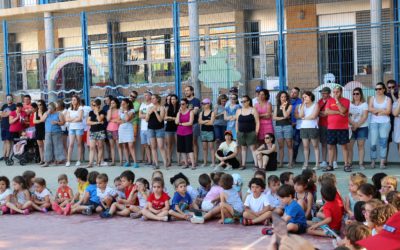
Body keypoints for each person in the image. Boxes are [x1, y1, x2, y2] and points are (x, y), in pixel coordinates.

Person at [325, 85, 351, 172]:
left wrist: (337, 101)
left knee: (344, 147)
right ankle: (330, 165)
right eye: (334, 92)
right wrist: (338, 112)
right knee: (330, 146)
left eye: (337, 92)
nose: (335, 94)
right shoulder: (329, 100)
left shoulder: (346, 101)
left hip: (342, 128)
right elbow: (327, 111)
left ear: (341, 92)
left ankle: (346, 165)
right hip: (331, 128)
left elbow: (343, 110)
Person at [369, 82, 392, 169]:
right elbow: (370, 108)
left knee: (383, 143)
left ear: (383, 89)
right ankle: (373, 161)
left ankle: (382, 162)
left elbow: (388, 111)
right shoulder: (372, 98)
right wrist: (382, 110)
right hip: (374, 123)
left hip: (385, 123)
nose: (378, 90)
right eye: (376, 89)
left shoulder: (388, 99)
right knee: (373, 143)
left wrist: (377, 111)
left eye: (379, 89)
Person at [236, 95, 260, 170]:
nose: (243, 103)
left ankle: (256, 165)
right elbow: (237, 122)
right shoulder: (239, 110)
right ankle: (243, 164)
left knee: (253, 148)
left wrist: (256, 132)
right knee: (243, 148)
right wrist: (237, 132)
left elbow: (257, 122)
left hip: (251, 132)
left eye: (245, 101)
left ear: (248, 101)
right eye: (242, 101)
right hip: (241, 133)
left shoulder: (253, 110)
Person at [297, 91, 320, 170]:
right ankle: (306, 163)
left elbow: (313, 116)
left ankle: (317, 164)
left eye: (306, 97)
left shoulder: (315, 105)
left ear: (310, 97)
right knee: (305, 147)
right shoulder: (302, 105)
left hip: (313, 127)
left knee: (315, 146)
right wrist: (303, 104)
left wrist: (304, 118)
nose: (304, 98)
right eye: (303, 97)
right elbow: (300, 115)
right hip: (304, 128)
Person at [39, 102, 66, 167]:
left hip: (57, 132)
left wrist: (56, 122)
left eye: (50, 108)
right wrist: (47, 113)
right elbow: (42, 120)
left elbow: (63, 122)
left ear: (54, 108)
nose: (49, 109)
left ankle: (57, 160)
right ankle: (47, 161)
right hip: (48, 132)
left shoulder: (59, 113)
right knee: (47, 147)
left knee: (57, 146)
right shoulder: (46, 113)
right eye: (48, 108)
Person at [348, 88, 369, 170]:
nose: (355, 95)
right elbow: (347, 116)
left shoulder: (364, 104)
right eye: (354, 94)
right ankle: (350, 163)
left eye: (357, 94)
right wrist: (353, 124)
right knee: (350, 147)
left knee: (360, 146)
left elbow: (365, 117)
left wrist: (356, 125)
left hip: (362, 127)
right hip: (351, 127)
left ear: (361, 94)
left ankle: (361, 163)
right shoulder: (349, 104)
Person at [146, 94, 167, 170]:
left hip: (159, 129)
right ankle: (156, 164)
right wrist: (148, 113)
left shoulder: (161, 108)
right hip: (151, 129)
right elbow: (146, 120)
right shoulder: (149, 108)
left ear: (158, 99)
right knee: (153, 147)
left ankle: (165, 163)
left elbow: (160, 120)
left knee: (161, 146)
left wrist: (155, 111)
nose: (152, 99)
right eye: (151, 98)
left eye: (153, 98)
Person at [273, 91, 293, 168]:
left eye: (285, 97)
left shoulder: (290, 106)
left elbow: (286, 115)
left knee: (289, 145)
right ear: (279, 98)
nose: (283, 98)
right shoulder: (276, 106)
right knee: (280, 146)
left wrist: (284, 107)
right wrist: (282, 118)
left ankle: (290, 163)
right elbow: (274, 117)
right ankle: (281, 163)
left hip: (287, 126)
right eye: (282, 97)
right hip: (278, 127)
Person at [318, 87, 337, 168]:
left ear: (329, 93)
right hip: (322, 124)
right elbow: (318, 112)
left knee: (333, 144)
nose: (323, 94)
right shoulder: (319, 101)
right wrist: (325, 112)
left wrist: (326, 113)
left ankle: (334, 161)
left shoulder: (333, 101)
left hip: (331, 125)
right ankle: (324, 161)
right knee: (323, 143)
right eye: (322, 93)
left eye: (324, 93)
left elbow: (331, 112)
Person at [176, 98, 195, 169]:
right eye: (180, 104)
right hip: (179, 132)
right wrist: (179, 113)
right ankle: (186, 163)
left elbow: (190, 123)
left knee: (189, 149)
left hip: (188, 132)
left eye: (183, 104)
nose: (181, 105)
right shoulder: (179, 113)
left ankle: (193, 165)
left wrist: (181, 123)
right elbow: (177, 122)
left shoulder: (190, 112)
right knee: (182, 149)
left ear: (187, 104)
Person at [87, 99, 107, 168]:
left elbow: (100, 119)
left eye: (94, 105)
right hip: (92, 131)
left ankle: (98, 162)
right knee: (92, 147)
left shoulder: (102, 112)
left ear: (98, 105)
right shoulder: (90, 112)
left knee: (100, 147)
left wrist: (97, 113)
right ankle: (90, 163)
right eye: (92, 105)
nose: (92, 106)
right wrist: (97, 123)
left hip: (100, 131)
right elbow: (88, 122)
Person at [118, 98, 138, 168]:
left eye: (124, 104)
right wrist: (123, 120)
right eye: (121, 104)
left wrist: (125, 111)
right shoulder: (120, 111)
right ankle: (127, 161)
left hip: (129, 128)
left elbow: (127, 119)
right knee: (124, 145)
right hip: (122, 128)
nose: (122, 105)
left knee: (131, 145)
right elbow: (118, 120)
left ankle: (135, 162)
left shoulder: (131, 110)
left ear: (127, 104)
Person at [65, 95, 84, 167]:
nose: (73, 101)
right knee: (71, 144)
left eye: (74, 100)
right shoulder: (69, 109)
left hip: (79, 128)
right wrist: (74, 119)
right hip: (71, 128)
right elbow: (66, 119)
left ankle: (79, 160)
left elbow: (79, 118)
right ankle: (68, 160)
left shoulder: (80, 108)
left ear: (78, 101)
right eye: (72, 100)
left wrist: (71, 119)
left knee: (79, 144)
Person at [184, 86, 201, 166]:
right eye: (185, 91)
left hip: (194, 124)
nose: (186, 92)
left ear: (192, 91)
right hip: (185, 125)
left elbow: (195, 112)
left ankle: (195, 160)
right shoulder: (183, 101)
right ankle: (188, 160)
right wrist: (189, 111)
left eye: (188, 90)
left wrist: (186, 111)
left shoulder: (196, 101)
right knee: (187, 142)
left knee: (194, 142)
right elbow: (180, 111)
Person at [199, 98, 216, 168]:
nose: (203, 105)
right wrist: (206, 121)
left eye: (204, 104)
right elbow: (199, 122)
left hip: (210, 131)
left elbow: (211, 123)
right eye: (202, 104)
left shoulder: (212, 113)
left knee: (211, 147)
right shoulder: (201, 113)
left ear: (208, 104)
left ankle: (213, 162)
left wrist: (203, 122)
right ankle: (205, 162)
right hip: (203, 131)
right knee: (204, 148)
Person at [164, 94, 180, 167]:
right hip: (169, 128)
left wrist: (170, 118)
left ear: (176, 100)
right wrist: (174, 118)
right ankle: (169, 161)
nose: (172, 100)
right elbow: (165, 118)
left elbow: (179, 118)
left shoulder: (179, 107)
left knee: (178, 145)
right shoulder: (167, 108)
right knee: (169, 146)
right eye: (171, 99)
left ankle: (179, 161)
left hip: (177, 127)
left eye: (174, 99)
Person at [106, 98, 122, 166]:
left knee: (118, 145)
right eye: (111, 103)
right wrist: (110, 110)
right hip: (109, 129)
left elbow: (119, 120)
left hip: (116, 129)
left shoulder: (119, 110)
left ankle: (121, 161)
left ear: (116, 103)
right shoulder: (109, 111)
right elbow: (108, 119)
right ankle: (113, 161)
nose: (112, 104)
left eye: (113, 103)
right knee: (112, 146)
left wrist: (113, 120)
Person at [139, 90, 153, 165]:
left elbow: (150, 116)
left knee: (151, 145)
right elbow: (139, 115)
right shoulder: (142, 105)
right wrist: (147, 115)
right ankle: (149, 160)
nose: (145, 97)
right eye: (144, 95)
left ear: (150, 96)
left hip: (149, 127)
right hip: (142, 128)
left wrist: (144, 115)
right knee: (145, 145)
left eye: (146, 95)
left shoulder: (152, 105)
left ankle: (153, 160)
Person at [385, 79, 398, 163]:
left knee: (398, 140)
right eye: (389, 87)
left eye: (393, 87)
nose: (391, 89)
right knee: (386, 140)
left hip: (397, 120)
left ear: (396, 86)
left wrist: (393, 94)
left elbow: (396, 103)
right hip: (388, 120)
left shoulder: (398, 95)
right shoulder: (385, 95)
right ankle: (385, 159)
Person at [1, 95, 16, 160]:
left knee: (8, 141)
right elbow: (1, 114)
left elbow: (9, 114)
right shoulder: (4, 106)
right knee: (4, 141)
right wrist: (5, 114)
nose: (9, 99)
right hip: (3, 125)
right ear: (6, 99)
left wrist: (4, 114)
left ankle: (7, 156)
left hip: (9, 126)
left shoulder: (14, 106)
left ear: (12, 99)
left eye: (10, 98)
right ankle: (3, 155)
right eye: (8, 98)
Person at [290, 87, 302, 164]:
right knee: (289, 144)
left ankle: (293, 159)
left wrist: (296, 122)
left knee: (296, 144)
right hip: (288, 125)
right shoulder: (287, 101)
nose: (293, 94)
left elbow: (302, 114)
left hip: (298, 126)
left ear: (298, 94)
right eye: (292, 92)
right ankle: (290, 160)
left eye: (295, 92)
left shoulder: (301, 102)